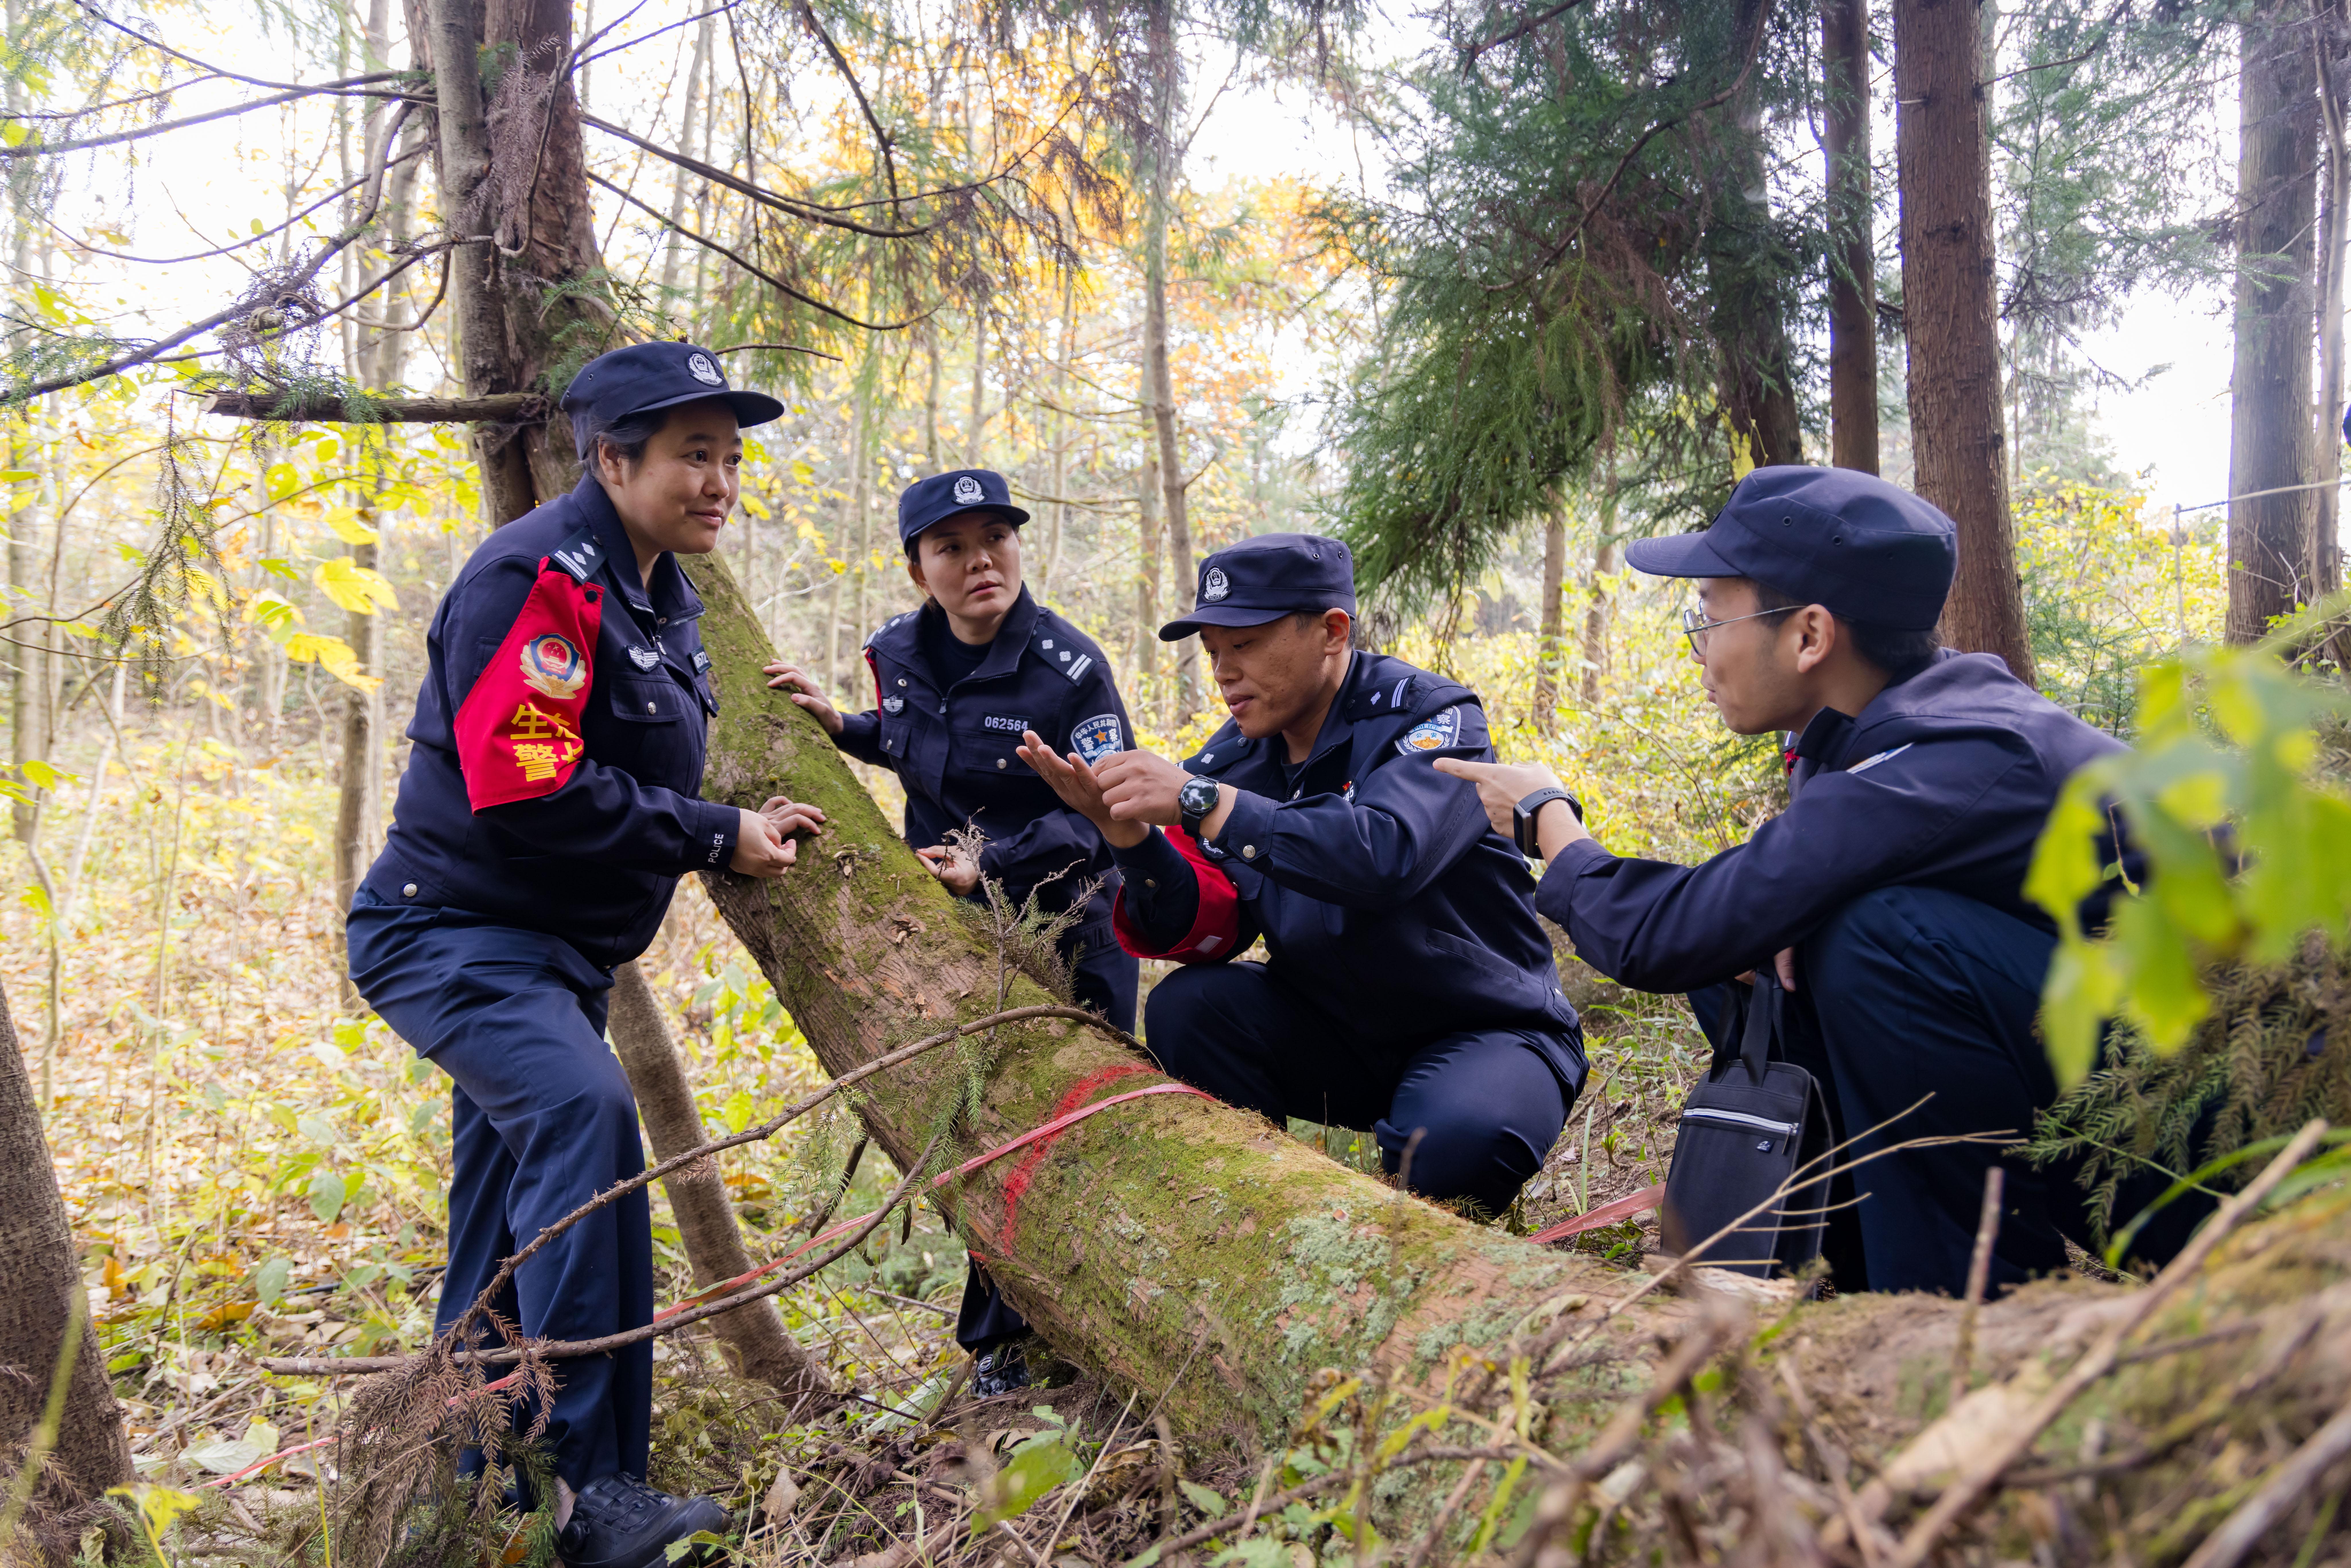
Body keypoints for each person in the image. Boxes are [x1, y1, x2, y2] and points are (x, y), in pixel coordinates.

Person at [1437, 465, 2205, 1296]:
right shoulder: (1866, 734)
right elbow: (1723, 921)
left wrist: (1549, 819)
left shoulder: (1952, 754)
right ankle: (1845, 1272)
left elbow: (1664, 936)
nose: (1702, 649)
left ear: (1809, 636)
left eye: (1710, 619)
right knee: (1751, 956)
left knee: (1873, 941)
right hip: (2117, 1088)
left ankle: (1964, 1307)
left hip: (2207, 1149)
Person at [348, 341, 820, 1568]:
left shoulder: (660, 591)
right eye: (687, 454)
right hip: (449, 933)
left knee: (503, 1219)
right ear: (610, 459)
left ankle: (462, 1477)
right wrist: (717, 835)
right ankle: (592, 1492)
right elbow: (527, 781)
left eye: (727, 455)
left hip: (547, 956)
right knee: (588, 1122)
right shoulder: (538, 578)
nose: (717, 479)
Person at [1018, 532, 1586, 1218]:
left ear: (1331, 631)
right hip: (1341, 1033)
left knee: (1450, 1149)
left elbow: (1385, 855)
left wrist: (1205, 803)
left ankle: (1433, 1228)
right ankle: (1257, 1216)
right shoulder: (1232, 761)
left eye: (1246, 644)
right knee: (1186, 1007)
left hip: (1485, 1028)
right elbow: (1202, 923)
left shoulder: (1430, 716)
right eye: (1213, 651)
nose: (1224, 671)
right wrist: (1125, 835)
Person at [763, 467, 1136, 1394]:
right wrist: (841, 726)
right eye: (952, 548)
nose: (981, 563)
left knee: (1074, 1123)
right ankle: (1003, 1341)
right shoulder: (896, 649)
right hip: (947, 927)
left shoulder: (1069, 669)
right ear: (916, 569)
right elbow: (909, 740)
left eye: (996, 540)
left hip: (1073, 920)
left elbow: (1104, 812)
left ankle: (1082, 1328)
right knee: (981, 1121)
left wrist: (994, 865)